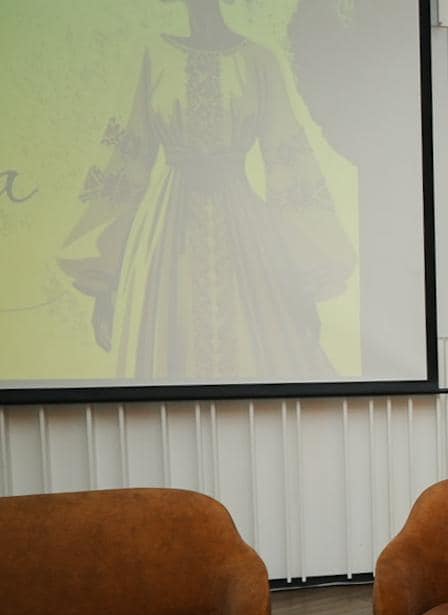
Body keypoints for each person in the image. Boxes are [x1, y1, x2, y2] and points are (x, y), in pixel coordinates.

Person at [59, 0, 353, 379]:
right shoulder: (152, 54)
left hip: (244, 228)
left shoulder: (258, 60)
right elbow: (125, 158)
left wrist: (304, 277)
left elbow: (289, 161)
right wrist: (103, 281)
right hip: (165, 232)